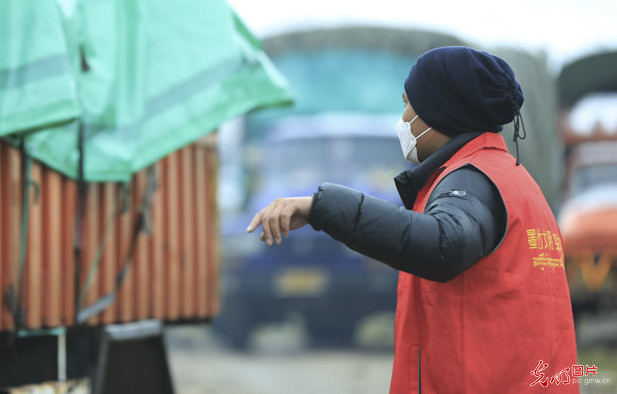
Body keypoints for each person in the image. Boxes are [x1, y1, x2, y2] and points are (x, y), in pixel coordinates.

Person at [247, 46, 578, 393]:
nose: (403, 119)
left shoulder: (471, 179)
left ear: (441, 111)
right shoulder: (512, 178)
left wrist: (322, 207)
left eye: (407, 104)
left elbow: (442, 244)